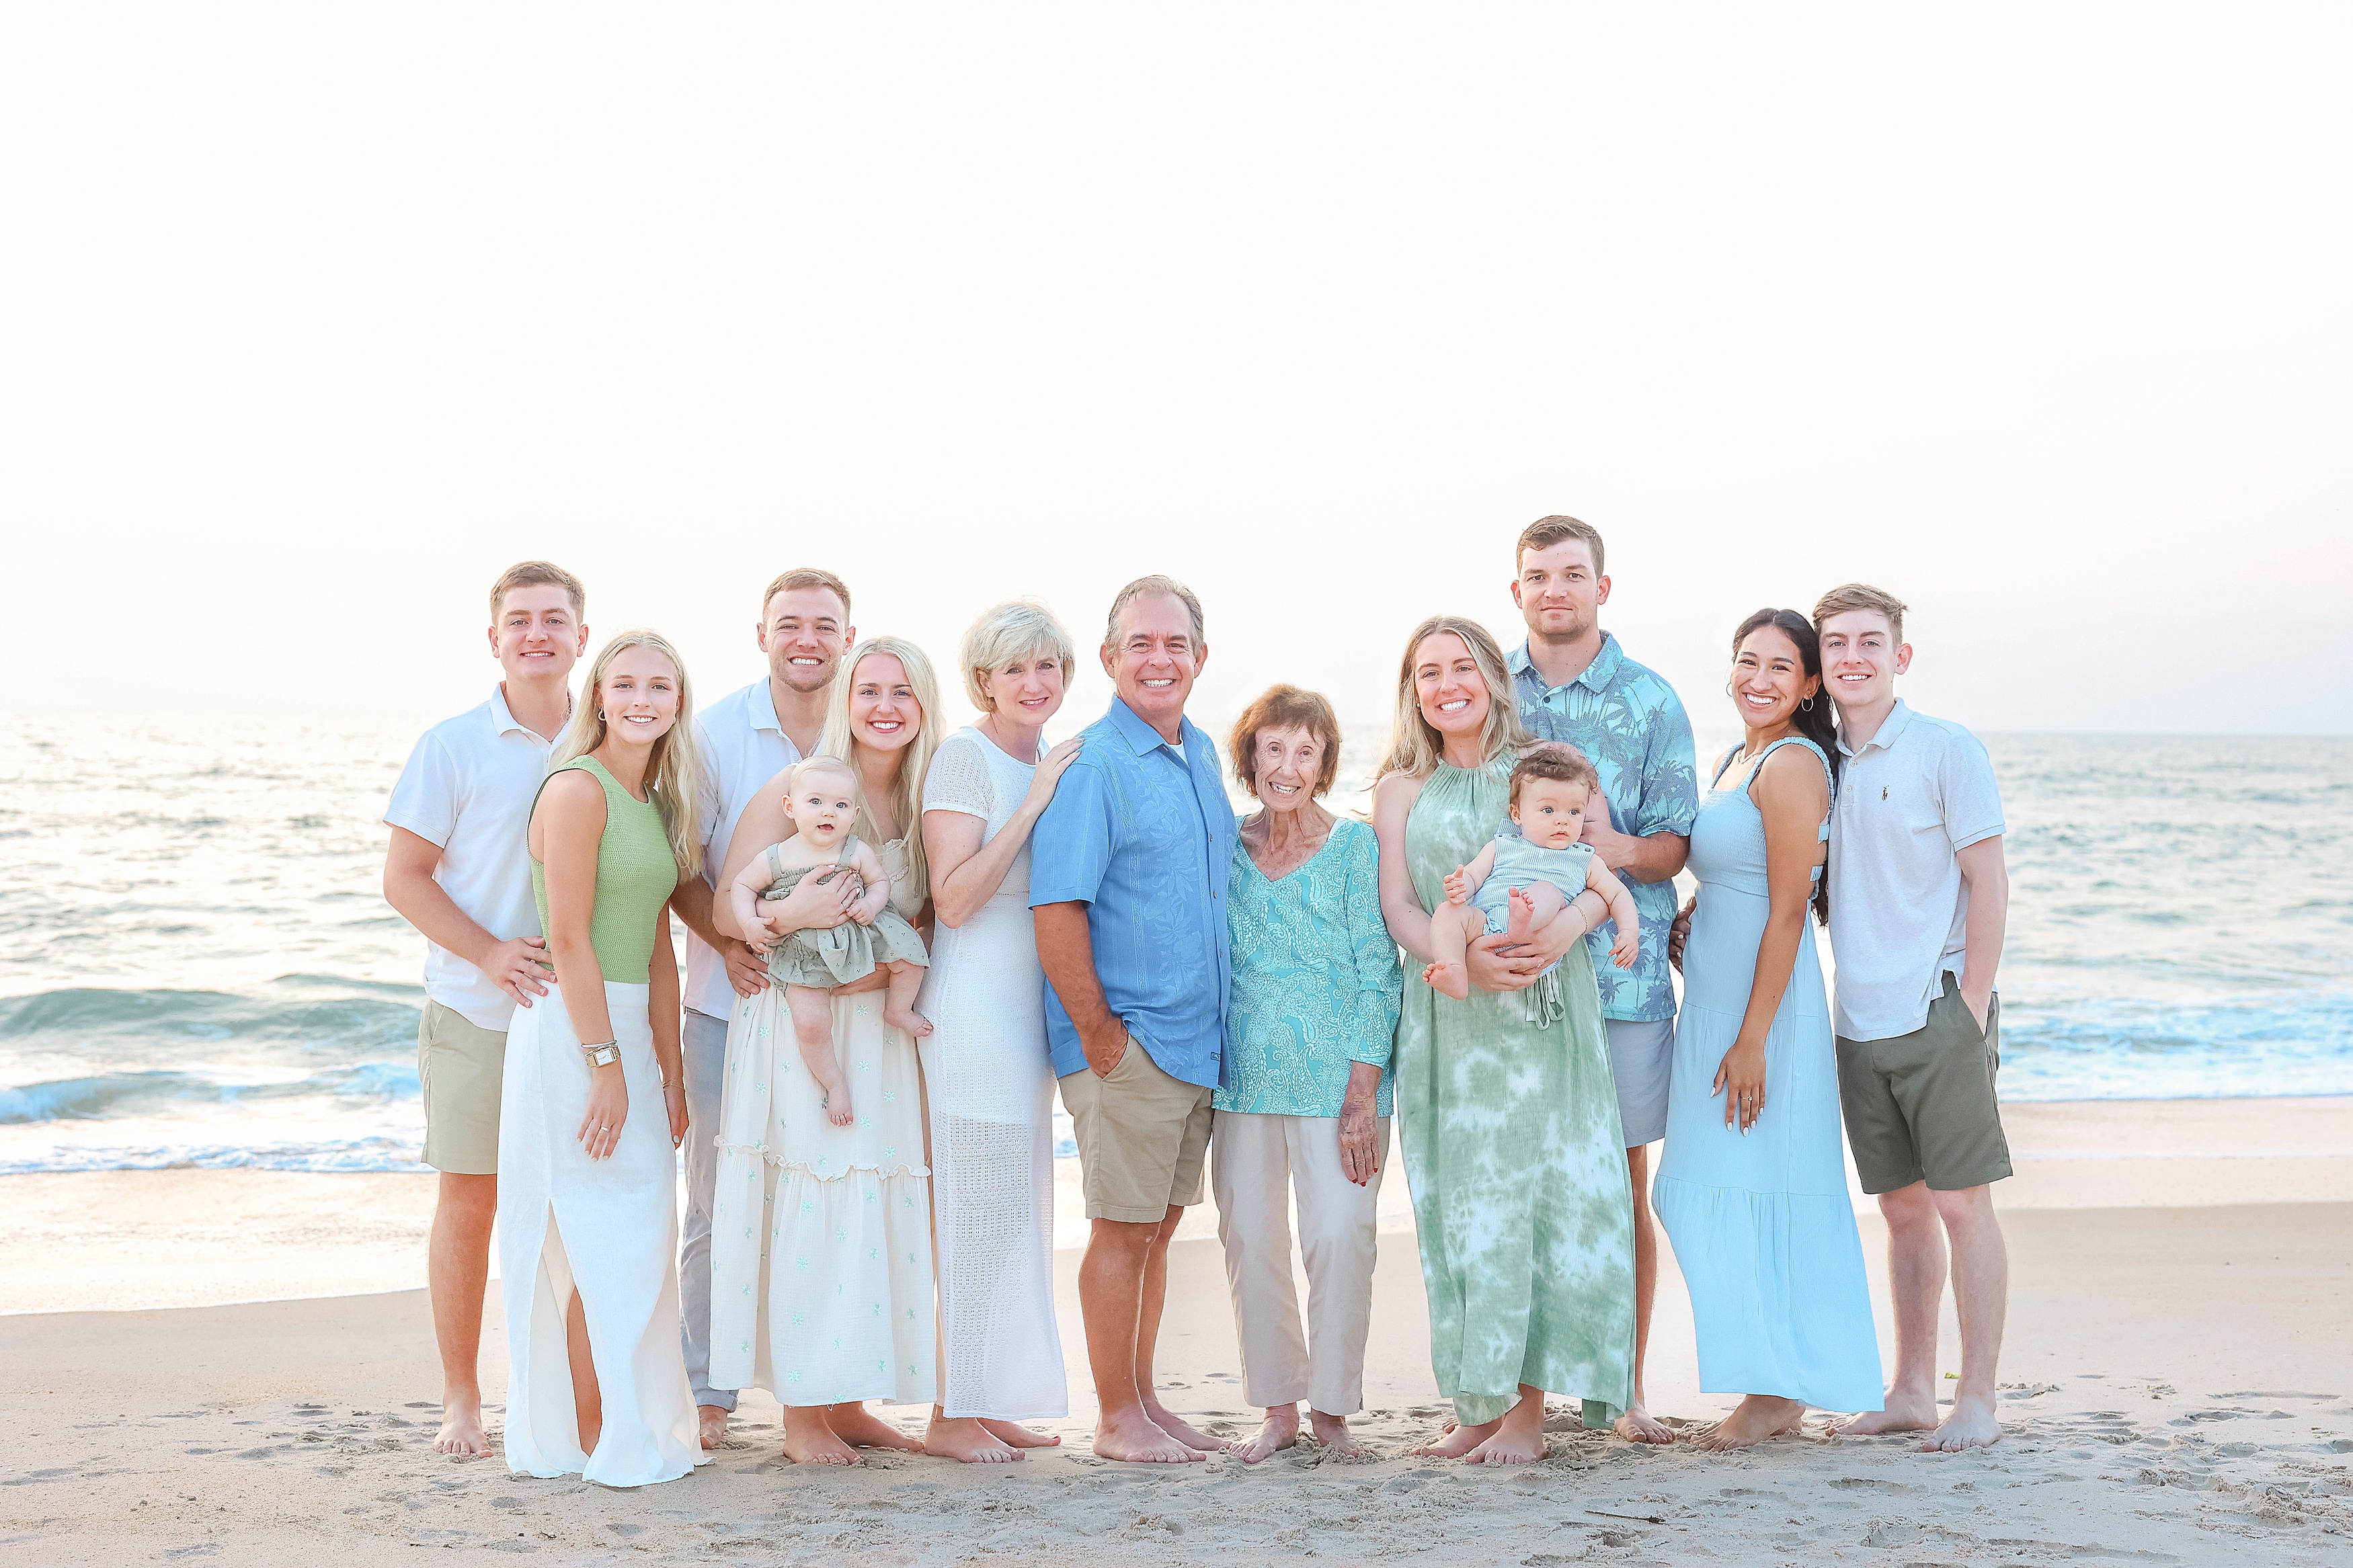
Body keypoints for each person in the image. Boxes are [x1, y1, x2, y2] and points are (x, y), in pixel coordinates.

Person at [1371, 615, 1635, 1464]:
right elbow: (1400, 907)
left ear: (1491, 673)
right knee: (1462, 1209)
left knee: (1532, 1201)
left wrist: (1565, 933)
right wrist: (1464, 961)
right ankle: (1478, 1404)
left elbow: (1599, 875)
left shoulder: (1542, 767)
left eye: (1461, 666)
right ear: (1411, 689)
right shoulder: (1398, 789)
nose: (1445, 683)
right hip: (1450, 1014)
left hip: (1542, 1013)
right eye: (1426, 672)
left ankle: (1524, 1416)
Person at [707, 636, 943, 1465]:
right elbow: (728, 906)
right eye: (869, 688)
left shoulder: (921, 796)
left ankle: (846, 1401)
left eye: (901, 692)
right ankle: (801, 1411)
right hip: (796, 1027)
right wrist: (788, 920)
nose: (885, 705)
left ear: (923, 705)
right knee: (804, 1194)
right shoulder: (798, 784)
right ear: (845, 697)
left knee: (860, 1209)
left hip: (875, 1031)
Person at [1652, 609, 1882, 1450]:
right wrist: (1694, 912)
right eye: (1746, 661)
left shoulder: (1790, 765)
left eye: (1780, 667)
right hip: (1712, 1003)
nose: (1758, 678)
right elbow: (1741, 877)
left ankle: (1775, 1389)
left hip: (1760, 1016)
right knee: (1696, 1190)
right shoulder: (1735, 757)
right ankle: (1771, 1376)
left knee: (1751, 1190)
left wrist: (1751, 1037)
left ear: (1810, 683)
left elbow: (1790, 910)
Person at [382, 560, 588, 1458]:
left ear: (582, 633)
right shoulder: (454, 744)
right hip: (475, 1009)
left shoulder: (615, 733)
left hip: (584, 1019)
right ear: (494, 636)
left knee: (583, 1209)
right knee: (471, 1200)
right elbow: (404, 878)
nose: (537, 633)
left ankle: (580, 1399)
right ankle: (463, 1399)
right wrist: (490, 953)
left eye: (554, 618)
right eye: (520, 620)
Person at [1031, 575, 1236, 1465]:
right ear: (1110, 659)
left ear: (1200, 657)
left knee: (1158, 1227)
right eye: (1141, 644)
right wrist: (1103, 1036)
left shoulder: (1202, 757)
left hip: (1196, 1042)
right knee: (1120, 1228)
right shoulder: (1094, 765)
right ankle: (1116, 1418)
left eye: (1176, 643)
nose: (1161, 658)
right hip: (1131, 1044)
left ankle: (1145, 1402)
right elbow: (1057, 909)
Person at [496, 628, 707, 1487]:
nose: (642, 698)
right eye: (625, 682)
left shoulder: (653, 799)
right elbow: (571, 938)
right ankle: (592, 1429)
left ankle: (630, 1422)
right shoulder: (577, 789)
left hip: (628, 1031)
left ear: (677, 702)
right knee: (590, 1232)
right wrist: (608, 1066)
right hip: (572, 1028)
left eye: (660, 685)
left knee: (641, 1226)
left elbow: (660, 946)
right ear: (599, 694)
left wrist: (671, 1069)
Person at [1503, 515, 1696, 1445]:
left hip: (1620, 985)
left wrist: (1616, 850)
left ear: (1602, 589)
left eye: (1572, 574)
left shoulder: (1652, 700)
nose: (1555, 590)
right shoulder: (1488, 690)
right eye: (1538, 575)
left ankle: (1623, 1391)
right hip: (1513, 980)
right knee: (1527, 1187)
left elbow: (1676, 843)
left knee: (1620, 1185)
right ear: (1518, 591)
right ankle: (1522, 1390)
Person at [1813, 583, 2013, 1452]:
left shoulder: (1944, 749)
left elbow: (1990, 878)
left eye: (1869, 641)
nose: (1851, 657)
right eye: (1835, 645)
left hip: (1936, 1011)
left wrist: (1970, 1000)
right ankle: (1910, 1391)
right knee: (1901, 1212)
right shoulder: (1819, 760)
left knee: (1963, 1206)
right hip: (1857, 1021)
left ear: (1900, 654)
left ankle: (1980, 1402)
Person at [667, 568, 854, 1448]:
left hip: (832, 1012)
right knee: (714, 1198)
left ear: (847, 636)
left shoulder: (870, 724)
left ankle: (817, 1386)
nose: (807, 638)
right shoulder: (713, 732)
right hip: (723, 998)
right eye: (791, 623)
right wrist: (732, 941)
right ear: (762, 634)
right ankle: (708, 1386)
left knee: (819, 1196)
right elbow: (681, 864)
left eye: (824, 624)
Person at [1211, 685, 1402, 1464]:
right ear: (1249, 756)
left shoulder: (1356, 847)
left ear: (1324, 762)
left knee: (1339, 1237)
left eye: (1305, 750)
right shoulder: (1222, 845)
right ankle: (1278, 1409)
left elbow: (1379, 975)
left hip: (1340, 1084)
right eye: (1272, 748)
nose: (1286, 766)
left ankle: (1332, 1412)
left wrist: (1361, 1097)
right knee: (1250, 1241)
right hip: (1242, 1079)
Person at [916, 602, 1084, 1463]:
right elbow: (952, 897)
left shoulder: (1049, 757)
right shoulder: (966, 757)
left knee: (1014, 1209)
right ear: (982, 679)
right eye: (1014, 668)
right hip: (973, 1010)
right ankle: (950, 1410)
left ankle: (990, 1395)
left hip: (1031, 1014)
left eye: (1047, 667)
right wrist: (1033, 805)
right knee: (973, 1211)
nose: (1033, 683)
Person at [729, 755, 934, 1107]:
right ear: (789, 807)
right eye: (816, 802)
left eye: (841, 805)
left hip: (859, 934)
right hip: (804, 949)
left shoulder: (855, 851)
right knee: (810, 1021)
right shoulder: (777, 857)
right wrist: (749, 922)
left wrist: (870, 904)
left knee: (912, 955)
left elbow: (880, 882)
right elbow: (742, 887)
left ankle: (899, 1009)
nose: (829, 813)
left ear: (854, 815)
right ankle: (833, 1081)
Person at [1422, 745, 1641, 1003]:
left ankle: (1523, 918)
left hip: (1537, 939)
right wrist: (1461, 887)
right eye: (1549, 810)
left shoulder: (1583, 858)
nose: (1563, 821)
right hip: (1487, 927)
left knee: (1547, 891)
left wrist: (1629, 931)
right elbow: (1473, 875)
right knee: (1447, 913)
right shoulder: (1502, 845)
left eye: (1574, 811)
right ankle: (1455, 971)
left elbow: (1617, 894)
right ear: (1517, 814)